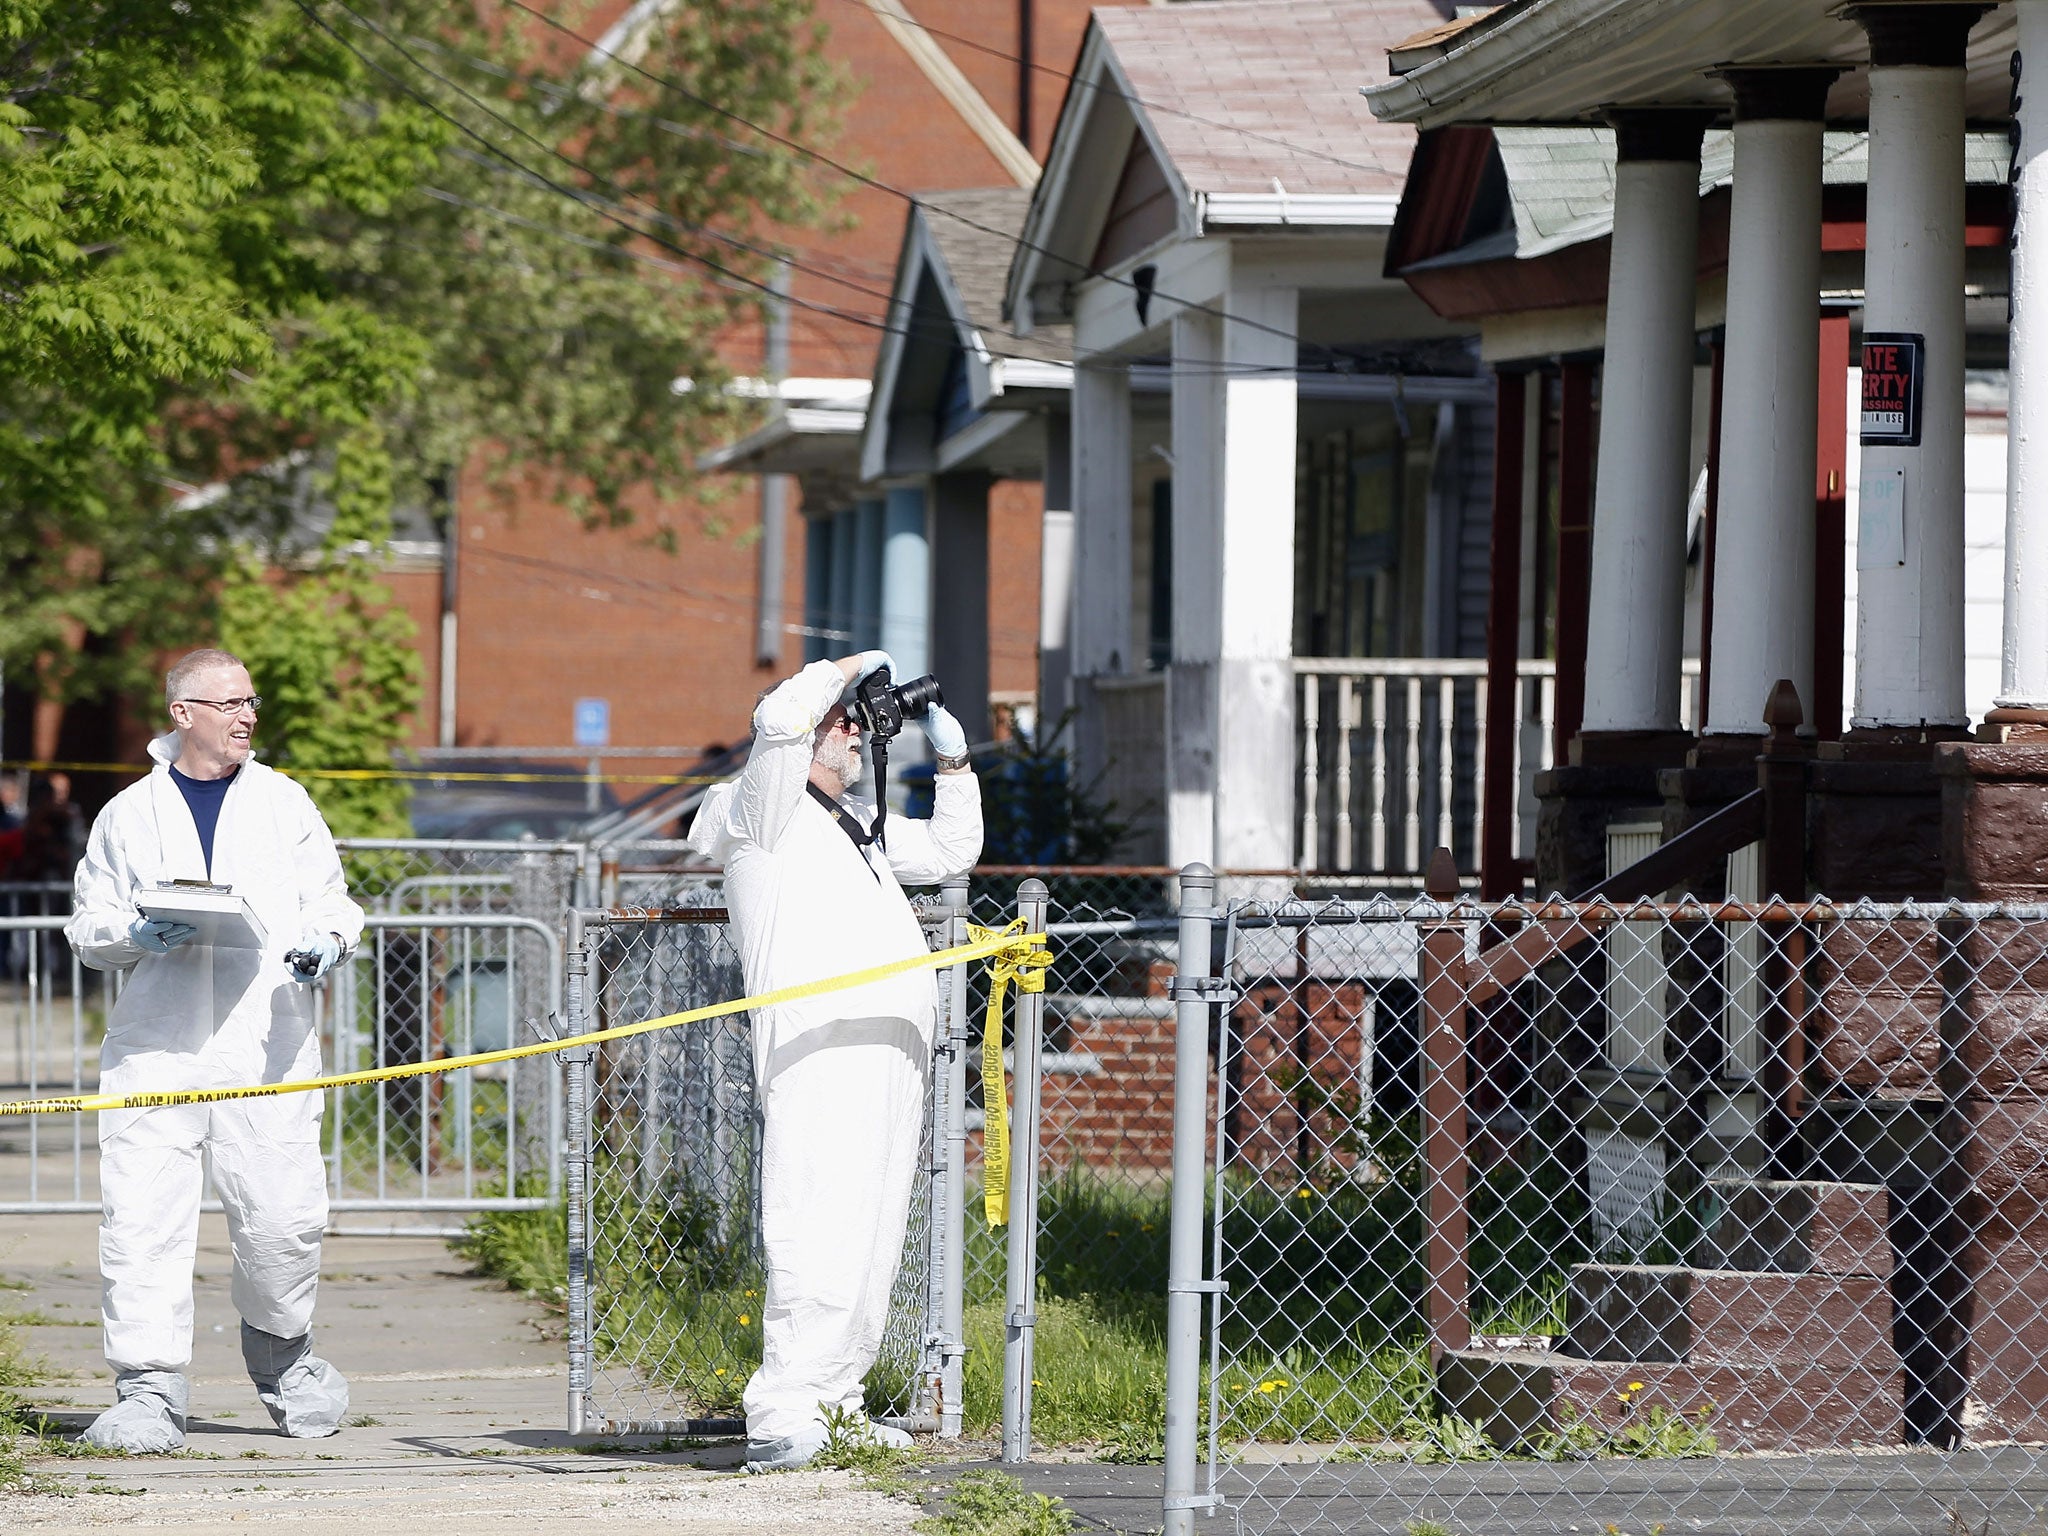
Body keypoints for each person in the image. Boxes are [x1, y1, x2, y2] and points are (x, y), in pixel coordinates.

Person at [686, 651, 982, 1472]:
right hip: (820, 1050)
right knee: (816, 1224)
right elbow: (780, 720)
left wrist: (951, 761)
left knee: (870, 1234)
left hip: (887, 1055)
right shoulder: (762, 815)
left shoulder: (858, 823)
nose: (855, 729)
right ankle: (786, 1410)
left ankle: (836, 1402)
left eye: (858, 719)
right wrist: (851, 666)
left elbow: (955, 850)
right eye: (844, 721)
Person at [64, 649, 364, 1452]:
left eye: (251, 701)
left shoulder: (284, 802)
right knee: (143, 1223)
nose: (247, 716)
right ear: (182, 712)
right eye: (229, 702)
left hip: (264, 1048)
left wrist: (326, 941)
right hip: (156, 1053)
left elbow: (333, 899)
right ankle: (149, 1390)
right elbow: (88, 925)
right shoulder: (128, 814)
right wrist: (130, 935)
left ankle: (284, 1357)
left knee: (283, 1221)